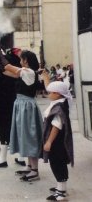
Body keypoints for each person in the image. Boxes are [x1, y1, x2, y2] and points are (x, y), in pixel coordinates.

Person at [0, 48, 43, 181]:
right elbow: (6, 71)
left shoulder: (28, 72)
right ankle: (29, 166)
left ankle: (34, 170)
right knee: (26, 136)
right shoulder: (24, 72)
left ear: (26, 61)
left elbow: (9, 67)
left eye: (21, 59)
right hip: (22, 106)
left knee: (29, 136)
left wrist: (1, 55)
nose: (20, 60)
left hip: (27, 107)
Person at [41, 73, 74, 201]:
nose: (48, 94)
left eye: (50, 92)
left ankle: (61, 192)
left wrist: (49, 142)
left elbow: (56, 126)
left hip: (56, 142)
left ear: (58, 94)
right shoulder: (60, 102)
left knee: (57, 164)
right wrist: (46, 78)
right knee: (58, 163)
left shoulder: (59, 107)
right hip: (57, 141)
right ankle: (61, 187)